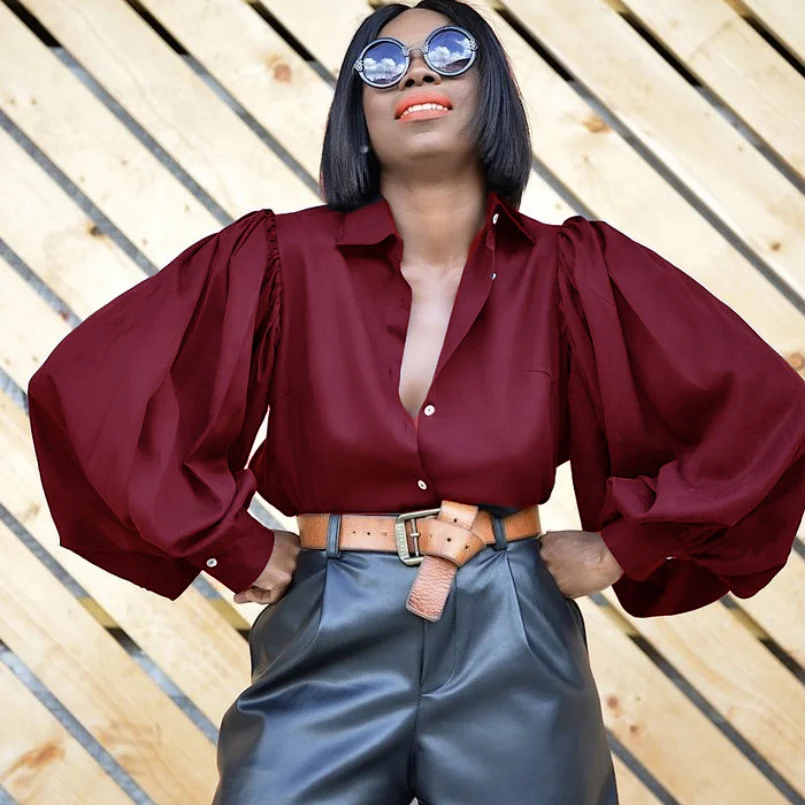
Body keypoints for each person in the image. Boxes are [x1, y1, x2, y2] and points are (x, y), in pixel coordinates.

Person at [27, 1, 805, 803]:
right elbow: (91, 392)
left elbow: (766, 413)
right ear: (357, 115)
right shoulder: (277, 259)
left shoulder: (573, 269)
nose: (417, 71)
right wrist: (237, 546)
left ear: (493, 93)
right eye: (382, 64)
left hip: (513, 627)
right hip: (327, 617)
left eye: (450, 51)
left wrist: (621, 546)